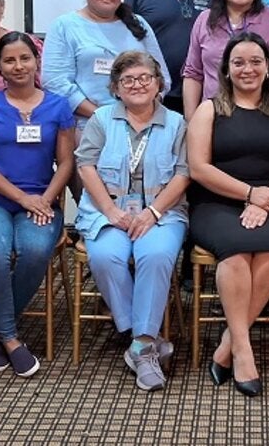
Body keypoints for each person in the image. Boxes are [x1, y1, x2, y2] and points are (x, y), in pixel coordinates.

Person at [188, 32, 269, 397]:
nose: (248, 69)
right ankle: (243, 351)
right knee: (236, 254)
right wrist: (249, 194)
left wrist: (265, 200)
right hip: (216, 202)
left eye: (256, 61)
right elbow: (198, 168)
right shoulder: (210, 109)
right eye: (238, 62)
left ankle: (228, 344)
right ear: (226, 69)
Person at [75, 51, 190, 392]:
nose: (137, 85)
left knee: (154, 256)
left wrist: (152, 213)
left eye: (145, 78)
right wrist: (111, 212)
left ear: (158, 84)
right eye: (128, 80)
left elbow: (184, 174)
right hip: (108, 211)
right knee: (105, 256)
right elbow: (86, 166)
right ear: (116, 88)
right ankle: (147, 342)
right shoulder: (101, 119)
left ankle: (140, 343)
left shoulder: (177, 123)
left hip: (161, 212)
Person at [0, 31, 75, 378]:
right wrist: (22, 198)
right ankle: (10, 337)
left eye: (24, 58)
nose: (18, 66)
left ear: (36, 61)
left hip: (41, 202)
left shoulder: (59, 106)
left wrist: (44, 199)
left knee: (35, 249)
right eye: (9, 60)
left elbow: (67, 163)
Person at [44, 0, 170, 127]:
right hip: (89, 125)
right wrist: (103, 116)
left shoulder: (138, 23)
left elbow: (163, 78)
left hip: (142, 125)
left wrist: (145, 111)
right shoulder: (64, 26)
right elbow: (56, 83)